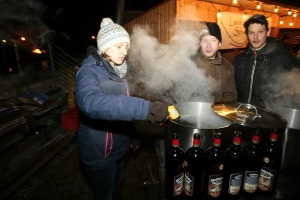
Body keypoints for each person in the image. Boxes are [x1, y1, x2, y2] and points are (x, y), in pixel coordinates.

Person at [75, 17, 169, 200]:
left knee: (117, 188)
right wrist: (145, 109)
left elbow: (119, 106)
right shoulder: (88, 71)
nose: (124, 51)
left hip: (117, 148)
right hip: (99, 154)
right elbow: (90, 102)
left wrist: (132, 134)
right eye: (119, 46)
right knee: (105, 196)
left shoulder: (118, 70)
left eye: (126, 46)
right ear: (104, 47)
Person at [232, 14, 300, 108]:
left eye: (260, 31)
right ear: (247, 34)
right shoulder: (239, 59)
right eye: (251, 32)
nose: (255, 37)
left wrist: (293, 86)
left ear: (267, 32)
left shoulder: (285, 58)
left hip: (270, 115)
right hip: (242, 114)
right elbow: (231, 87)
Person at [193, 22, 237, 102]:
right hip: (194, 112)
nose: (208, 45)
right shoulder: (191, 64)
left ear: (219, 43)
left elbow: (230, 94)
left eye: (213, 40)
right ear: (200, 43)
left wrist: (218, 108)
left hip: (218, 113)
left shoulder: (227, 67)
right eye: (204, 41)